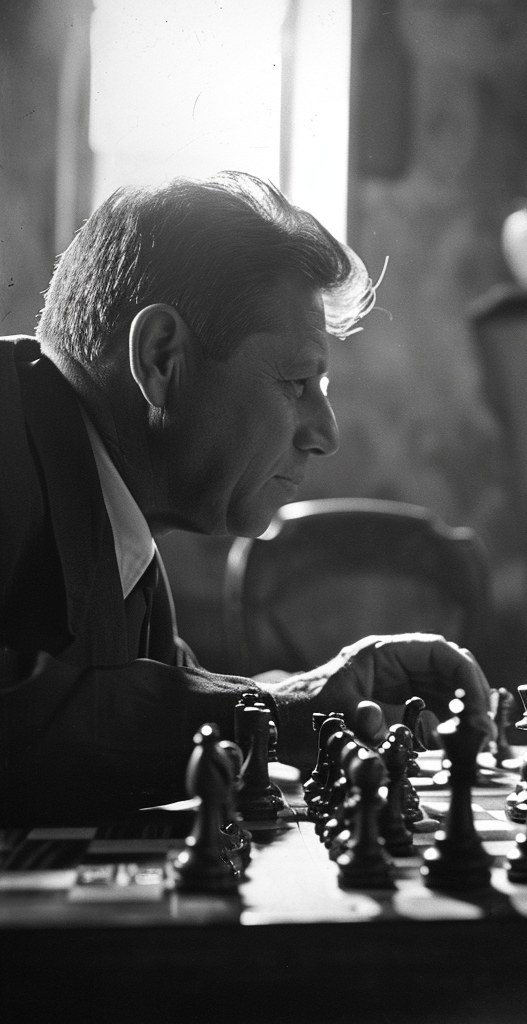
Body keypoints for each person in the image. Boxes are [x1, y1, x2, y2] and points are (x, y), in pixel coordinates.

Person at [0, 172, 491, 824]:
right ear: (161, 357)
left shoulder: (120, 518)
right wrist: (281, 714)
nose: (327, 433)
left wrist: (303, 699)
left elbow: (135, 705)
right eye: (296, 382)